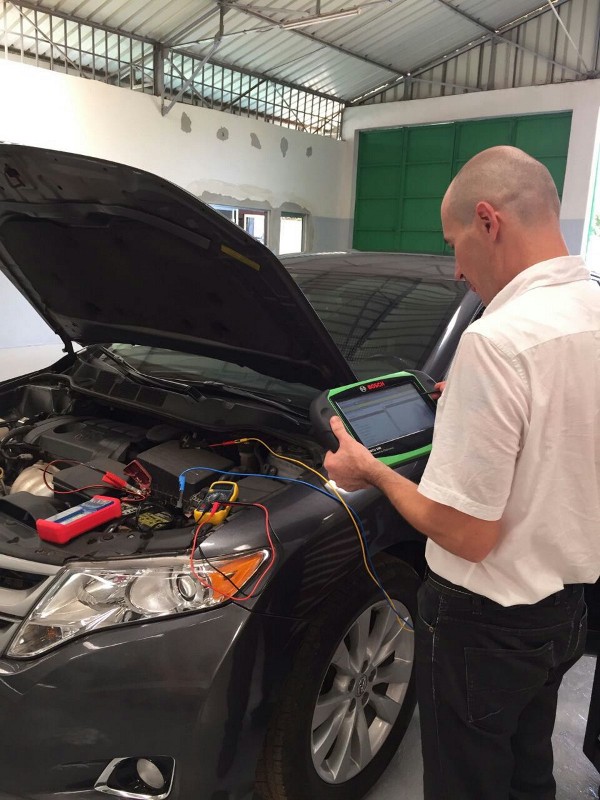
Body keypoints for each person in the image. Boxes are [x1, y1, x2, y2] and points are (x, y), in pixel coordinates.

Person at [324, 145, 600, 800]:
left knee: (465, 783)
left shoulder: (496, 341)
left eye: (455, 243)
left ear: (488, 221)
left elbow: (467, 535)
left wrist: (372, 471)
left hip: (484, 623)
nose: (457, 267)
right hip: (562, 612)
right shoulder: (589, 310)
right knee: (529, 769)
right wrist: (477, 405)